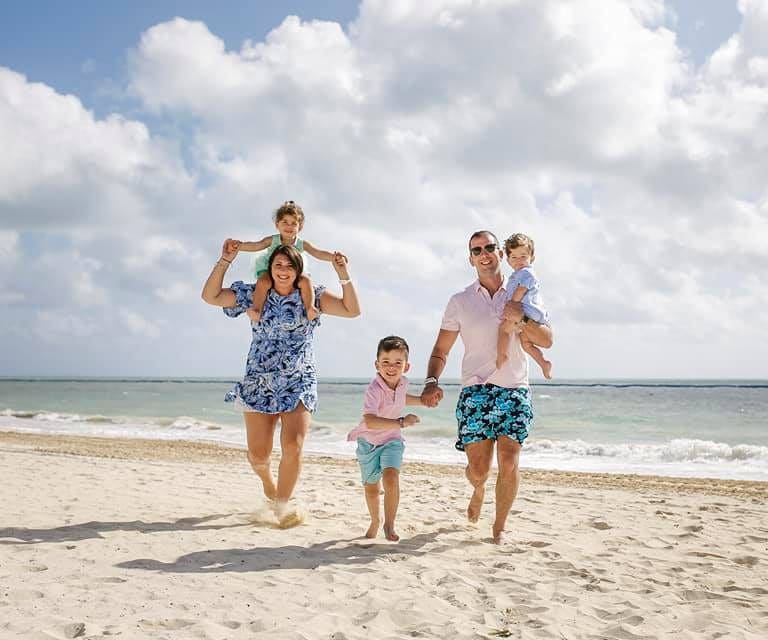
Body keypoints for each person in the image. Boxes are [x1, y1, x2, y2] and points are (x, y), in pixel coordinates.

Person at [201, 239, 360, 527]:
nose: (283, 270)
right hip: (259, 381)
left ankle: (283, 508)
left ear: (298, 270)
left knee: (292, 445)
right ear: (269, 269)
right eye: (278, 265)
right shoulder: (253, 295)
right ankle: (268, 485)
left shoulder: (312, 297)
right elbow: (211, 296)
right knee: (258, 456)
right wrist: (225, 260)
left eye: (289, 266)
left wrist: (343, 273)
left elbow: (351, 309)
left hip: (298, 380)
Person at [421, 230, 553, 544]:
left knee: (509, 459)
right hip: (476, 391)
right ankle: (479, 489)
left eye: (490, 247)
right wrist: (430, 382)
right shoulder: (459, 302)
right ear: (471, 258)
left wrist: (522, 316)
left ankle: (499, 528)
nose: (484, 253)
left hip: (514, 388)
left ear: (500, 254)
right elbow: (441, 350)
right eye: (477, 249)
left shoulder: (522, 288)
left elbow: (547, 339)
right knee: (479, 469)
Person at [346, 336, 424, 542]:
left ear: (406, 367)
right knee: (372, 488)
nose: (392, 367)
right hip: (369, 443)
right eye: (386, 362)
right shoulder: (374, 389)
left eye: (398, 362)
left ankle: (389, 524)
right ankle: (375, 520)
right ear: (377, 365)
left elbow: (402, 398)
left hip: (392, 440)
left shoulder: (402, 384)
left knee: (391, 477)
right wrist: (401, 422)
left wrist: (425, 401)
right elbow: (370, 421)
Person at [231, 200, 345, 323]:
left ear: (299, 227)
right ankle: (257, 310)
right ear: (277, 224)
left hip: (293, 270)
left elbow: (318, 253)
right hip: (270, 268)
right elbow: (256, 246)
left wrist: (333, 257)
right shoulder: (273, 240)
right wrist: (240, 246)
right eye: (285, 222)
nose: (288, 227)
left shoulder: (301, 243)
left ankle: (310, 308)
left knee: (306, 280)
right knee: (263, 281)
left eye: (293, 223)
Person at [496, 233, 552, 379]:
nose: (519, 261)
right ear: (508, 260)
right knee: (525, 343)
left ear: (531, 257)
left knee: (503, 330)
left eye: (523, 256)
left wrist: (511, 305)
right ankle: (543, 363)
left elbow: (521, 290)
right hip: (529, 314)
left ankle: (501, 355)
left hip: (525, 310)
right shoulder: (518, 274)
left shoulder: (526, 273)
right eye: (514, 257)